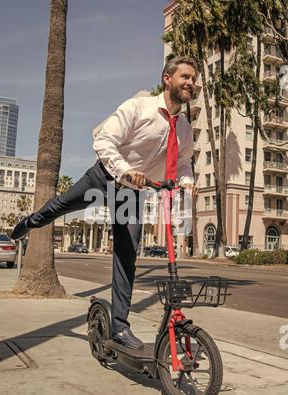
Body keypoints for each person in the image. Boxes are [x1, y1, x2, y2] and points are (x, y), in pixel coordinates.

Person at [11, 56, 198, 350]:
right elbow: (105, 140)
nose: (191, 83)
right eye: (185, 76)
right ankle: (29, 223)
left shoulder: (184, 127)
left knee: (127, 254)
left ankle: (120, 328)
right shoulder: (139, 106)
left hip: (132, 192)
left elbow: (184, 163)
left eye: (193, 79)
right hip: (106, 177)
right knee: (60, 206)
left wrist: (187, 183)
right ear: (167, 78)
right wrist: (125, 169)